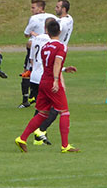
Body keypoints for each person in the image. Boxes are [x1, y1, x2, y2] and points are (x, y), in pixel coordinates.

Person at [15, 20, 80, 153]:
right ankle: (65, 145)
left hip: (43, 80)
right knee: (64, 112)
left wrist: (64, 69)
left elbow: (48, 65)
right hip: (51, 81)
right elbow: (56, 64)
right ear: (60, 32)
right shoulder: (61, 47)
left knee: (43, 113)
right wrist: (56, 80)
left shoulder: (45, 47)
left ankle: (22, 138)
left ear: (47, 32)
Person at [33, 0, 75, 145]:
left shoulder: (56, 28)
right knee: (58, 106)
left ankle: (34, 134)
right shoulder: (68, 22)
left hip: (42, 70)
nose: (55, 8)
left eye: (57, 7)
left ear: (63, 9)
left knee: (44, 107)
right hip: (51, 70)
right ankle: (40, 132)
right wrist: (58, 76)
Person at [19, 0, 58, 108]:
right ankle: (45, 98)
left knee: (27, 72)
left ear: (40, 8)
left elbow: (26, 33)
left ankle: (26, 99)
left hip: (35, 48)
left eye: (33, 7)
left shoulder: (34, 18)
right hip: (50, 49)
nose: (31, 10)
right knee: (48, 70)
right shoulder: (53, 17)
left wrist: (34, 35)